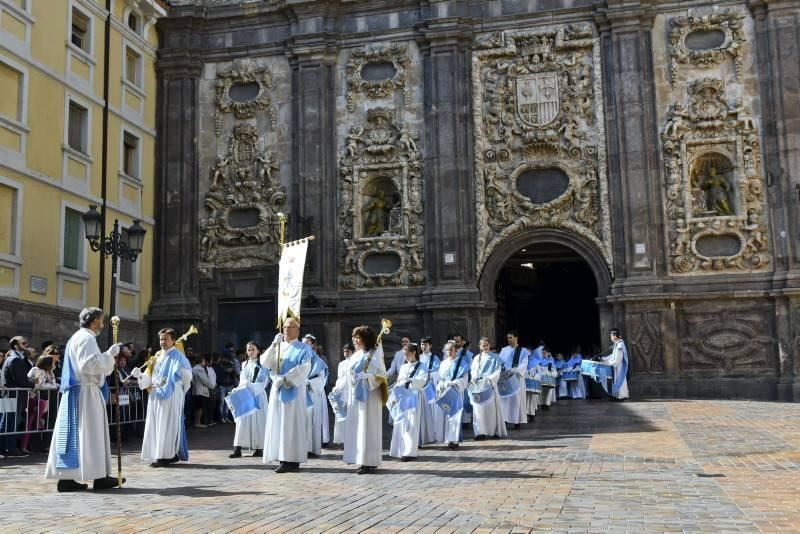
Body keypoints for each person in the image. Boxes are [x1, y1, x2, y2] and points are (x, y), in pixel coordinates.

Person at [44, 307, 124, 491]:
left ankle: (68, 479)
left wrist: (105, 358)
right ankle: (99, 477)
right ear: (95, 320)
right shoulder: (87, 338)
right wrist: (110, 355)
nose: (103, 324)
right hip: (86, 393)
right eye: (102, 320)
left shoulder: (76, 337)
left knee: (77, 436)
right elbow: (89, 365)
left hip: (77, 392)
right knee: (91, 434)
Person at [133, 328, 193, 468]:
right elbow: (151, 375)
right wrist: (140, 376)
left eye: (165, 339)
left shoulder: (179, 357)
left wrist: (178, 382)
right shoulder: (157, 356)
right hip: (156, 394)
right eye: (161, 339)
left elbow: (187, 376)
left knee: (168, 425)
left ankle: (166, 455)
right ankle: (158, 454)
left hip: (171, 394)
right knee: (156, 424)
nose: (162, 342)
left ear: (173, 340)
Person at [260, 317, 313, 473]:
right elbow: (264, 363)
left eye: (290, 327)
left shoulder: (303, 348)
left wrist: (285, 379)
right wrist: (273, 345)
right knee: (279, 423)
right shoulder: (279, 346)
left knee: (292, 425)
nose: (286, 330)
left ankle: (293, 459)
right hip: (277, 390)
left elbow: (304, 367)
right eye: (284, 327)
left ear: (297, 330)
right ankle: (282, 457)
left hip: (294, 392)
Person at [343, 325, 387, 474]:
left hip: (369, 396)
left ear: (365, 339)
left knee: (368, 427)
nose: (355, 341)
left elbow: (381, 375)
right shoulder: (355, 356)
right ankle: (359, 458)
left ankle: (369, 461)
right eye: (354, 338)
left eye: (358, 338)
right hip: (356, 395)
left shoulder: (374, 355)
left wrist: (368, 377)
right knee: (357, 426)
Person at [230, 341, 270, 458]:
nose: (250, 352)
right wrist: (241, 387)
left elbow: (264, 382)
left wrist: (251, 386)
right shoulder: (244, 364)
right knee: (242, 421)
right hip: (246, 394)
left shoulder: (264, 365)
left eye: (253, 349)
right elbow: (242, 379)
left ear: (258, 351)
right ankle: (237, 448)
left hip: (258, 395)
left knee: (259, 422)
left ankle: (259, 448)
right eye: (248, 350)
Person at [389, 343, 427, 461]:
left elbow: (423, 380)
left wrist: (410, 381)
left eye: (407, 354)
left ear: (414, 352)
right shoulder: (403, 367)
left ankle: (409, 452)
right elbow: (399, 380)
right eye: (404, 355)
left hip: (413, 397)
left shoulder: (422, 366)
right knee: (401, 423)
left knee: (411, 424)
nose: (405, 357)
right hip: (402, 398)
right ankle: (400, 450)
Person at [1, 335, 34, 457]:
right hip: (13, 395)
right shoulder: (15, 359)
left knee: (8, 422)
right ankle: (9, 448)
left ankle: (6, 448)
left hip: (10, 394)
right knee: (10, 423)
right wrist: (33, 384)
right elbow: (21, 380)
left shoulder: (16, 358)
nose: (26, 345)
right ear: (16, 346)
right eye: (23, 343)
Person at [469, 338, 507, 440]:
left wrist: (489, 379)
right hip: (478, 387)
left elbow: (497, 371)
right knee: (478, 410)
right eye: (483, 345)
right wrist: (474, 379)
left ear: (489, 345)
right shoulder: (477, 358)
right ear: (480, 347)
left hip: (490, 386)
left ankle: (494, 431)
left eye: (487, 345)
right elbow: (473, 371)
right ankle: (480, 432)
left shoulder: (495, 357)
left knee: (491, 410)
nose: (485, 347)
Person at [21, 354, 58, 453]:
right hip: (32, 399)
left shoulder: (50, 372)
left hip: (42, 399)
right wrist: (51, 385)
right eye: (53, 362)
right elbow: (39, 385)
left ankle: (32, 444)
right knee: (29, 422)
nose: (55, 363)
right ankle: (23, 445)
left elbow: (53, 385)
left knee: (34, 422)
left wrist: (51, 385)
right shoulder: (36, 370)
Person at [437, 341, 469, 450]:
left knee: (455, 415)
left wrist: (455, 383)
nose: (449, 351)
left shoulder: (462, 363)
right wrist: (441, 385)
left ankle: (453, 440)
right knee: (446, 414)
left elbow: (465, 379)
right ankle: (446, 439)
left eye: (451, 349)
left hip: (456, 391)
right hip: (445, 391)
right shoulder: (443, 363)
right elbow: (440, 378)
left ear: (456, 350)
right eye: (447, 349)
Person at [303, 334, 329, 457]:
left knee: (313, 420)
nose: (305, 345)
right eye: (303, 343)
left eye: (308, 342)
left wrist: (309, 383)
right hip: (300, 393)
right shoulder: (299, 358)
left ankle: (312, 448)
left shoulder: (319, 362)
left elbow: (322, 379)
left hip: (313, 392)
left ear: (313, 344)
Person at [497, 330, 528, 430]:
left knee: (516, 400)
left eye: (510, 337)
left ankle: (517, 422)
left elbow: (524, 364)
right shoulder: (504, 350)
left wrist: (514, 370)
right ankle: (505, 420)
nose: (509, 340)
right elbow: (499, 362)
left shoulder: (523, 351)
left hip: (517, 379)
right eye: (508, 338)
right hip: (505, 378)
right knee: (505, 399)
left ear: (516, 337)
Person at [418, 337, 441, 444]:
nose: (423, 346)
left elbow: (438, 372)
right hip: (419, 388)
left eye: (425, 344)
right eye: (422, 344)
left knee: (431, 411)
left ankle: (432, 433)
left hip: (430, 387)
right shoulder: (418, 358)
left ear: (430, 346)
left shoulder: (434, 358)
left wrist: (428, 375)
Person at [331, 343, 354, 448]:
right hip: (342, 390)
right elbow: (340, 378)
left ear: (352, 351)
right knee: (341, 415)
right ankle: (342, 439)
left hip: (351, 390)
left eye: (348, 351)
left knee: (351, 414)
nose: (346, 353)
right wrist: (337, 388)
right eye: (344, 351)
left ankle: (351, 438)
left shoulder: (355, 361)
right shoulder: (342, 364)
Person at [603, 328, 629, 400]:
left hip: (619, 366)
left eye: (611, 336)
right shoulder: (617, 344)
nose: (610, 338)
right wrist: (605, 359)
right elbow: (613, 355)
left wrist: (610, 363)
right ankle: (617, 396)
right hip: (616, 366)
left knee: (620, 380)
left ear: (614, 336)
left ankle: (621, 396)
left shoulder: (620, 344)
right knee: (617, 381)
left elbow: (618, 359)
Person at [191, 355, 213, 428]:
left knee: (198, 407)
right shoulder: (199, 369)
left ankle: (197, 422)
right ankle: (198, 422)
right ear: (200, 361)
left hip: (196, 390)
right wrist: (211, 386)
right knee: (199, 407)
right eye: (203, 361)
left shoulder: (194, 368)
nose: (204, 362)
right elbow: (204, 380)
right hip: (201, 391)